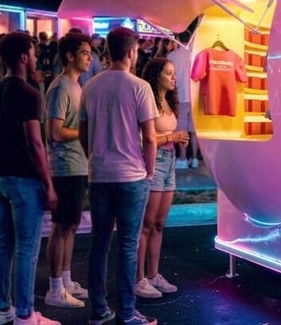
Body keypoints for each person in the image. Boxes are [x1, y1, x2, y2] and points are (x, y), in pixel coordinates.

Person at [80, 27, 159, 325]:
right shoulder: (140, 87)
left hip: (99, 174)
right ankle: (127, 312)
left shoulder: (90, 87)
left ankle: (99, 309)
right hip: (131, 175)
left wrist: (93, 157)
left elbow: (83, 133)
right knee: (127, 244)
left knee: (99, 243)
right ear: (130, 52)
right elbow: (149, 137)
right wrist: (149, 170)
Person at [0, 31, 59, 325]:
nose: (36, 57)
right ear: (23, 57)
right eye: (33, 52)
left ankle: (1, 308)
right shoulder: (29, 94)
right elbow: (35, 143)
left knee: (4, 244)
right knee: (27, 248)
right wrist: (48, 184)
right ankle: (26, 314)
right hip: (23, 178)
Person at [44, 33, 93, 309]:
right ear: (70, 56)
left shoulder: (77, 86)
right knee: (61, 226)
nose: (90, 58)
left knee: (72, 225)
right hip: (64, 167)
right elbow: (54, 131)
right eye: (85, 52)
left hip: (78, 164)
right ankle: (55, 288)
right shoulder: (60, 87)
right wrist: (84, 132)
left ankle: (65, 279)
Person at [134, 58, 189, 300]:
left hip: (169, 162)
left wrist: (177, 139)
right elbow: (143, 140)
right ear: (156, 75)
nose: (173, 77)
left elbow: (167, 135)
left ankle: (154, 274)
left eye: (173, 73)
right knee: (147, 223)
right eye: (168, 73)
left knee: (159, 224)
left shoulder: (168, 101)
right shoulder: (147, 101)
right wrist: (171, 137)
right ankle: (139, 278)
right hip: (154, 162)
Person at [167, 31, 200, 169]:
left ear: (177, 39)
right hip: (195, 97)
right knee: (194, 131)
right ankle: (195, 159)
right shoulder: (196, 54)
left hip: (180, 96)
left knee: (182, 130)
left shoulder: (172, 56)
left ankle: (183, 159)